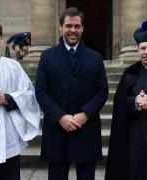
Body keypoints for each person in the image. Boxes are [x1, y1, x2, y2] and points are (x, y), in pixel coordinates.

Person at [35, 7, 108, 180]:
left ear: (83, 28)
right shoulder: (47, 57)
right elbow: (41, 91)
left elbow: (102, 90)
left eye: (77, 26)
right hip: (57, 130)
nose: (73, 30)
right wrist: (60, 117)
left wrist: (85, 114)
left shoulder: (95, 57)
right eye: (68, 26)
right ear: (61, 27)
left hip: (86, 128)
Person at [105, 19, 147, 180]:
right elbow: (119, 103)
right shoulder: (129, 73)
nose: (146, 52)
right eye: (143, 48)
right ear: (137, 50)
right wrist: (134, 102)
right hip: (133, 136)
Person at [0, 22, 40, 180]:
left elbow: (28, 94)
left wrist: (8, 98)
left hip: (8, 138)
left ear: (1, 39)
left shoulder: (14, 66)